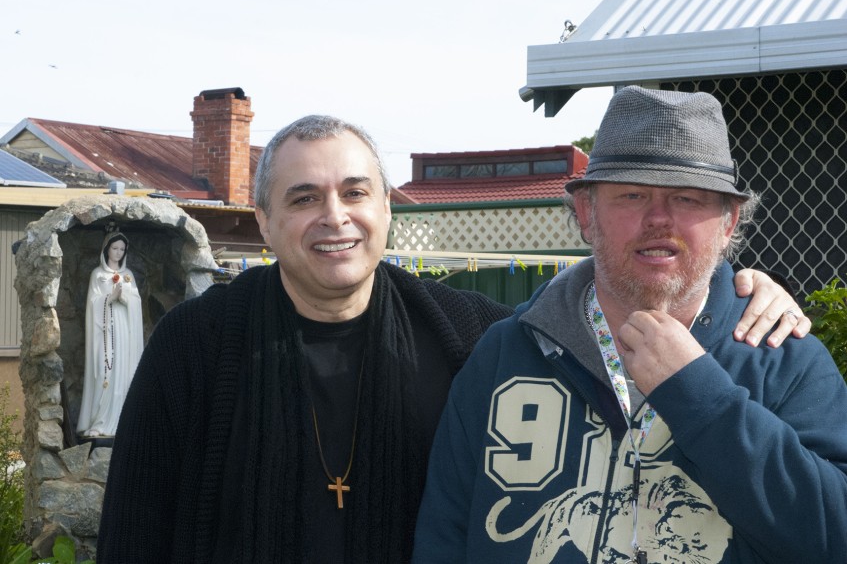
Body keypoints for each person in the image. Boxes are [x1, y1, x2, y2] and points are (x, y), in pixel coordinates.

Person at [96, 114, 808, 563]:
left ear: (386, 209)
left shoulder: (468, 332)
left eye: (354, 192)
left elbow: (626, 297)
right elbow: (133, 528)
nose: (333, 216)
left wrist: (734, 285)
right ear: (262, 221)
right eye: (303, 197)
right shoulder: (193, 344)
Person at [413, 87, 847, 563]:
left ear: (729, 222)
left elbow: (834, 536)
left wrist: (702, 398)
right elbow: (444, 534)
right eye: (632, 194)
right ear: (585, 212)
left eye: (687, 197)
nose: (658, 218)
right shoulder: (504, 354)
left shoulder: (786, 357)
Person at [77, 230, 143, 438]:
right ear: (106, 250)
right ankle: (100, 420)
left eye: (122, 250)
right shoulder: (97, 275)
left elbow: (137, 303)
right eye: (114, 248)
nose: (118, 253)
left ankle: (123, 421)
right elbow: (92, 304)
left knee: (122, 373)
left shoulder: (128, 275)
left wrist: (125, 298)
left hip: (123, 331)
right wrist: (109, 298)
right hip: (104, 334)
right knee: (106, 373)